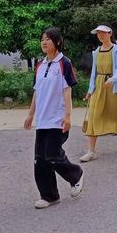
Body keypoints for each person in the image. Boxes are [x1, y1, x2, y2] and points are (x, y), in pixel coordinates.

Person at [24, 27, 83, 209]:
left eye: (48, 39)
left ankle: (76, 174)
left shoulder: (63, 63)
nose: (44, 42)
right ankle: (49, 195)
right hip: (42, 120)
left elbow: (67, 90)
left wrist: (67, 116)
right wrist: (30, 114)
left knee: (53, 155)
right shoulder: (40, 65)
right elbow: (37, 92)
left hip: (57, 119)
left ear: (57, 42)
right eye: (42, 39)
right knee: (40, 159)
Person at [80, 25, 117, 162]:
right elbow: (94, 72)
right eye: (98, 33)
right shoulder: (96, 52)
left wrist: (113, 79)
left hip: (114, 85)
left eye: (103, 33)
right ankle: (91, 151)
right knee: (94, 115)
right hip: (99, 85)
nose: (100, 35)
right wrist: (90, 90)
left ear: (110, 33)